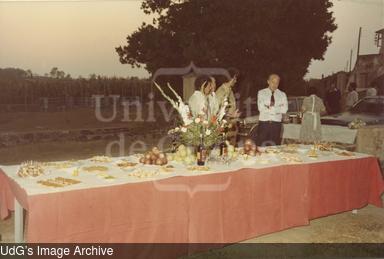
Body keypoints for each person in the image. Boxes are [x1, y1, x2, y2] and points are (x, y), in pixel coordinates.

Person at [256, 74, 288, 146]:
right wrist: (278, 108)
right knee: (261, 146)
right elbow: (260, 108)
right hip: (264, 124)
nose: (275, 84)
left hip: (276, 125)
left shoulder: (282, 95)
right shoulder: (261, 93)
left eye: (277, 83)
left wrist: (268, 107)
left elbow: (285, 109)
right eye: (273, 82)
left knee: (275, 147)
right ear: (268, 81)